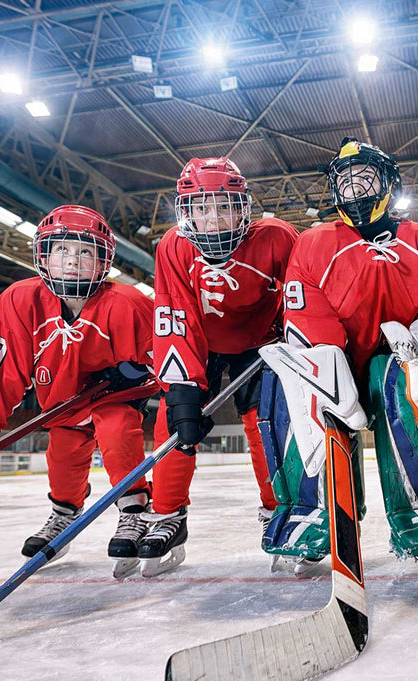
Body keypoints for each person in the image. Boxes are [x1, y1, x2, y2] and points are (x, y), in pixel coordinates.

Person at [262, 137, 418, 577]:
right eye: (344, 180)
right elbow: (303, 310)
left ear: (388, 183)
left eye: (364, 177)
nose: (354, 187)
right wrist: (328, 366)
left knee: (417, 382)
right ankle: (313, 517)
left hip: (400, 363)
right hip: (336, 361)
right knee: (291, 385)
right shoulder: (314, 242)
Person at [0, 205, 157, 576]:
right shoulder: (19, 301)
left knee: (117, 434)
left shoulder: (131, 303)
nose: (73, 261)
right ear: (44, 255)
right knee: (63, 457)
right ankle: (62, 515)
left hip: (113, 399)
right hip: (61, 405)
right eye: (62, 250)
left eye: (86, 251)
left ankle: (134, 511)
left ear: (103, 260)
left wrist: (140, 372)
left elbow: (170, 358)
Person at [147, 157, 298, 576]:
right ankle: (167, 515)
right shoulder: (173, 246)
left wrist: (295, 339)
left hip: (262, 344)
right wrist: (183, 387)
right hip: (203, 345)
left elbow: (304, 294)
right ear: (186, 213)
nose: (213, 219)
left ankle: (279, 511)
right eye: (201, 207)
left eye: (224, 206)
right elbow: (175, 314)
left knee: (265, 424)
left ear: (242, 208)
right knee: (173, 422)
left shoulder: (278, 237)